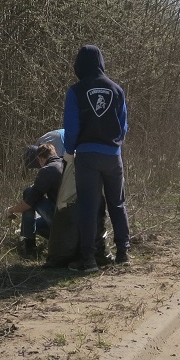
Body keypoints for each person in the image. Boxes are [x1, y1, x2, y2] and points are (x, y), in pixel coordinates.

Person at [62, 44, 131, 272]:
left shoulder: (76, 91)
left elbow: (72, 127)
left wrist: (69, 151)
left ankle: (88, 259)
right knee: (117, 204)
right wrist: (114, 143)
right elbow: (123, 125)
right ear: (101, 62)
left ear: (79, 65)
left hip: (87, 155)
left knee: (88, 207)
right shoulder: (117, 90)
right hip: (113, 156)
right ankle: (123, 252)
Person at [7, 143, 63, 257]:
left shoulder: (47, 170)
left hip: (61, 218)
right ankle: (56, 241)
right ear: (55, 152)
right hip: (76, 219)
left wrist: (11, 210)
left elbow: (28, 203)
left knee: (28, 192)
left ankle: (30, 246)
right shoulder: (67, 164)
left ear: (40, 158)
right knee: (36, 225)